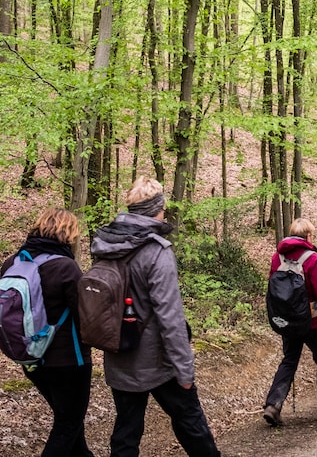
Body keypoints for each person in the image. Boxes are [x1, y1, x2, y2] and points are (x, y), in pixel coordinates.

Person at [95, 177, 220, 457]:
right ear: (157, 209)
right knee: (191, 423)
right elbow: (171, 317)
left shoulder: (105, 246)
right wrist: (184, 369)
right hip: (158, 362)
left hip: (119, 354)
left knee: (126, 432)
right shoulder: (156, 252)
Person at [0, 208, 94, 457]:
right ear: (68, 234)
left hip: (30, 358)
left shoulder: (13, 263)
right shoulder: (66, 267)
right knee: (68, 424)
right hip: (69, 361)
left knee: (69, 420)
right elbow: (84, 316)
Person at [262, 218, 317, 426]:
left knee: (289, 360)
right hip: (315, 322)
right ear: (308, 236)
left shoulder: (277, 257)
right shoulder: (313, 259)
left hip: (288, 321)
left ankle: (273, 405)